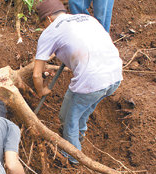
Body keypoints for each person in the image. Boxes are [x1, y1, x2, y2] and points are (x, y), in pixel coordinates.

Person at [33, 0, 123, 164]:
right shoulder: (86, 19)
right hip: (114, 76)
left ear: (48, 19)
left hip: (91, 81)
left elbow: (36, 75)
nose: (44, 27)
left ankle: (72, 157)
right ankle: (78, 137)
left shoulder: (51, 31)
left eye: (43, 23)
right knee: (78, 111)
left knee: (70, 120)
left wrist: (41, 91)